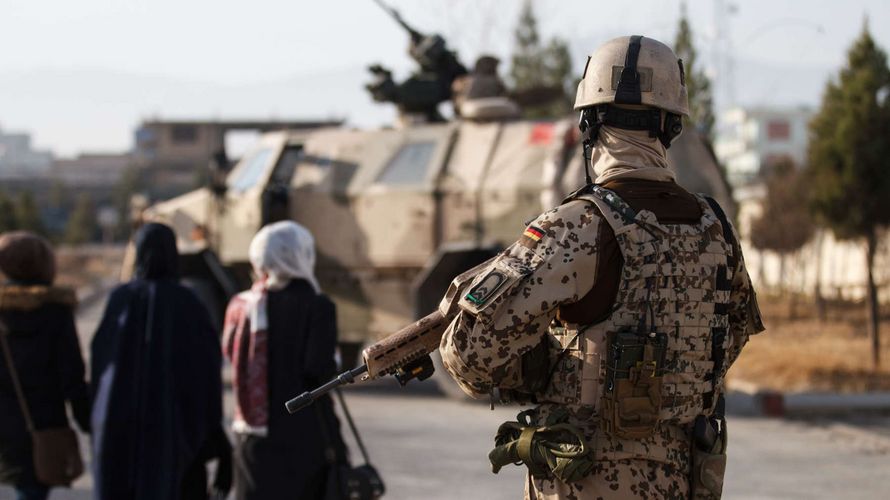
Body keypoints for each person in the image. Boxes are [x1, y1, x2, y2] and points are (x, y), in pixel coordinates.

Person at [438, 36, 764, 499]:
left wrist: (548, 366)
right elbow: (732, 334)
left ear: (589, 121)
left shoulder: (574, 227)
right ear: (671, 129)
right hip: (683, 479)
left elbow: (469, 355)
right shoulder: (717, 228)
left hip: (585, 481)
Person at [91, 223, 230, 500]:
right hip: (176, 435)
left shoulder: (121, 299)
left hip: (119, 438)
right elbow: (206, 374)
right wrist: (215, 437)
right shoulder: (188, 303)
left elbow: (100, 365)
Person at [223, 220, 343, 500]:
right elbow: (319, 372)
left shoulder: (241, 306)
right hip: (304, 440)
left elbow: (230, 354)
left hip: (253, 437)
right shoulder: (317, 306)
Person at [0, 232, 90, 500]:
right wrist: (87, 419)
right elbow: (73, 373)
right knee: (33, 489)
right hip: (44, 424)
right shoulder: (56, 313)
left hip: (3, 424)